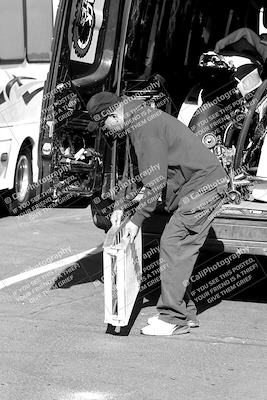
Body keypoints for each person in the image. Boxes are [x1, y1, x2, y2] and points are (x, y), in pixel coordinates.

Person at [87, 91, 228, 336]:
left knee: (173, 244)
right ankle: (185, 313)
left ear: (111, 115)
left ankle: (173, 318)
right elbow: (137, 174)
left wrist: (137, 220)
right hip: (197, 188)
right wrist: (121, 205)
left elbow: (154, 181)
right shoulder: (137, 119)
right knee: (178, 247)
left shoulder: (145, 126)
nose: (107, 131)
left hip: (204, 188)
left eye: (104, 125)